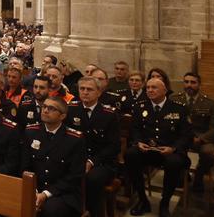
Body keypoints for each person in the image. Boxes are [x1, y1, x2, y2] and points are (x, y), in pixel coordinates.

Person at [125, 78, 191, 217]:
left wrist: (173, 148)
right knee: (130, 155)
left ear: (165, 90)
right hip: (147, 150)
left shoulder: (179, 108)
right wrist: (138, 142)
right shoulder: (140, 106)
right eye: (148, 87)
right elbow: (135, 129)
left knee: (174, 162)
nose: (149, 90)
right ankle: (143, 200)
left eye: (154, 87)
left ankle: (165, 202)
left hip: (169, 150)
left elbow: (186, 135)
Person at [22, 96, 87, 217]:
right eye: (44, 107)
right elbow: (25, 165)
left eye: (51, 108)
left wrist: (46, 194)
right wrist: (33, 190)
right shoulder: (31, 132)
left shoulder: (75, 139)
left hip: (63, 192)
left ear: (62, 116)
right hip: (34, 187)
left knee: (51, 210)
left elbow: (75, 176)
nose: (45, 111)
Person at [67, 77, 120, 217]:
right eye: (82, 89)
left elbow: (114, 146)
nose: (85, 92)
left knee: (92, 179)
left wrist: (91, 161)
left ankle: (93, 213)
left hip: (101, 162)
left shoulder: (109, 114)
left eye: (89, 89)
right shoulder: (71, 109)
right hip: (76, 159)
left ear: (99, 92)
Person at [169, 72, 214, 193]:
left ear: (199, 85)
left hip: (200, 137)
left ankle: (199, 176)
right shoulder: (174, 99)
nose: (189, 85)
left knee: (209, 153)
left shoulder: (210, 103)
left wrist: (201, 139)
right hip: (181, 136)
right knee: (176, 150)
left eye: (193, 82)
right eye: (186, 82)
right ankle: (182, 175)